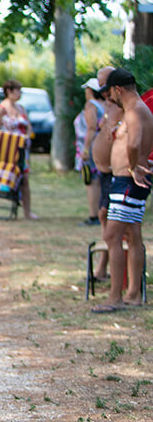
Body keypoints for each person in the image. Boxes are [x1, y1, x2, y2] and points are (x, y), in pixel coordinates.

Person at [93, 68, 153, 313]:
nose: (110, 98)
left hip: (128, 183)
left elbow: (135, 143)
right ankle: (133, 294)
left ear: (118, 89)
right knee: (132, 235)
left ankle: (115, 297)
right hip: (128, 183)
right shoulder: (137, 109)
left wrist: (132, 166)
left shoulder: (136, 110)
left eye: (110, 92)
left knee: (112, 236)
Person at [0, 78, 38, 219]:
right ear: (9, 91)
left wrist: (27, 136)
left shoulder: (21, 109)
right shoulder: (1, 110)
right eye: (17, 90)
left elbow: (29, 127)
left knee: (24, 179)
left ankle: (27, 212)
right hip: (3, 151)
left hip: (20, 151)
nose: (20, 93)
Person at [90, 66, 123, 281]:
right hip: (104, 171)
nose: (102, 90)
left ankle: (109, 270)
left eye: (105, 85)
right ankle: (103, 267)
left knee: (110, 219)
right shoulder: (108, 104)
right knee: (104, 217)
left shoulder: (124, 105)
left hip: (117, 172)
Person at [75, 78, 104, 226]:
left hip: (91, 146)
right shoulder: (105, 104)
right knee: (99, 181)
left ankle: (93, 215)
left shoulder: (91, 105)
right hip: (102, 145)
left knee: (91, 181)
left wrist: (85, 149)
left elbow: (91, 128)